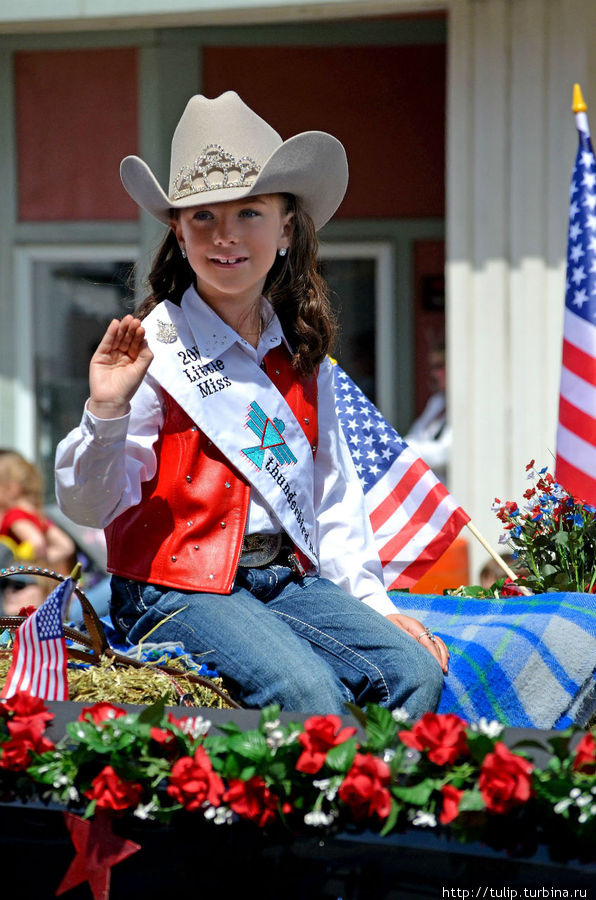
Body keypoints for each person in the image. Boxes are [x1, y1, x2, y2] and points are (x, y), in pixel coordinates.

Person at [55, 91, 447, 717]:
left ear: (287, 227)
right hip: (172, 585)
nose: (225, 236)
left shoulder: (302, 350)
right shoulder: (152, 351)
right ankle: (315, 816)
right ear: (177, 233)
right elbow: (87, 505)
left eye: (249, 213)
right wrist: (105, 412)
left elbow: (332, 496)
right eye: (202, 216)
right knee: (307, 696)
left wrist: (376, 607)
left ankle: (368, 813)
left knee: (414, 672)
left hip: (285, 580)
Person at [0, 451, 76, 576]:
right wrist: (42, 565)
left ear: (13, 487)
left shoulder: (14, 515)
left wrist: (18, 563)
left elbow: (36, 543)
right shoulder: (36, 515)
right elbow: (66, 546)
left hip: (20, 582)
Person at [404, 345, 451, 486]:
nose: (435, 374)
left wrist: (404, 449)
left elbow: (445, 453)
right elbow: (415, 434)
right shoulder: (437, 402)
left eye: (440, 366)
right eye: (433, 367)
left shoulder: (471, 405)